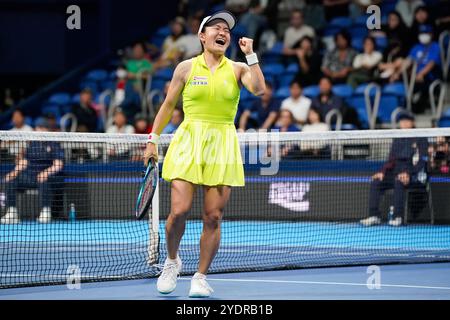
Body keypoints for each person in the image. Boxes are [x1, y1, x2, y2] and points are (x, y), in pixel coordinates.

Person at [143, 10, 265, 297]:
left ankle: (200, 276)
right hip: (189, 139)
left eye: (227, 30)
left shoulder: (237, 68)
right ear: (202, 36)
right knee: (179, 211)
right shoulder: (185, 68)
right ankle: (172, 261)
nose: (222, 32)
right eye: (216, 28)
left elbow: (259, 89)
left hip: (222, 141)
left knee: (213, 217)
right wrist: (152, 139)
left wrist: (252, 56)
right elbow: (168, 105)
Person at [360, 112, 429, 227]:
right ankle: (374, 216)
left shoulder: (421, 138)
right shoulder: (397, 138)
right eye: (401, 121)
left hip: (414, 175)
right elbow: (390, 160)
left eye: (406, 120)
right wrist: (382, 172)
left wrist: (409, 174)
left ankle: (398, 217)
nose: (404, 123)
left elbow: (421, 162)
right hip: (396, 172)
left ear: (412, 122)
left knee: (399, 181)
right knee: (376, 182)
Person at [1, 118, 64, 224]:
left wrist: (46, 173)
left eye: (41, 128)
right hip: (31, 177)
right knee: (12, 180)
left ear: (47, 130)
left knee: (43, 179)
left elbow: (58, 164)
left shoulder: (54, 143)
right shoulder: (33, 143)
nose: (38, 130)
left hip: (49, 178)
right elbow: (25, 161)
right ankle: (12, 212)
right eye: (37, 128)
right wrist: (14, 172)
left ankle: (45, 211)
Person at [404, 24, 441, 113]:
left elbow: (432, 63)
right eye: (421, 33)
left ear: (431, 34)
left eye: (426, 33)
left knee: (422, 91)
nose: (423, 35)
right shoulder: (416, 47)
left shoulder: (435, 46)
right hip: (414, 78)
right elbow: (409, 61)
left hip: (429, 77)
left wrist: (421, 74)